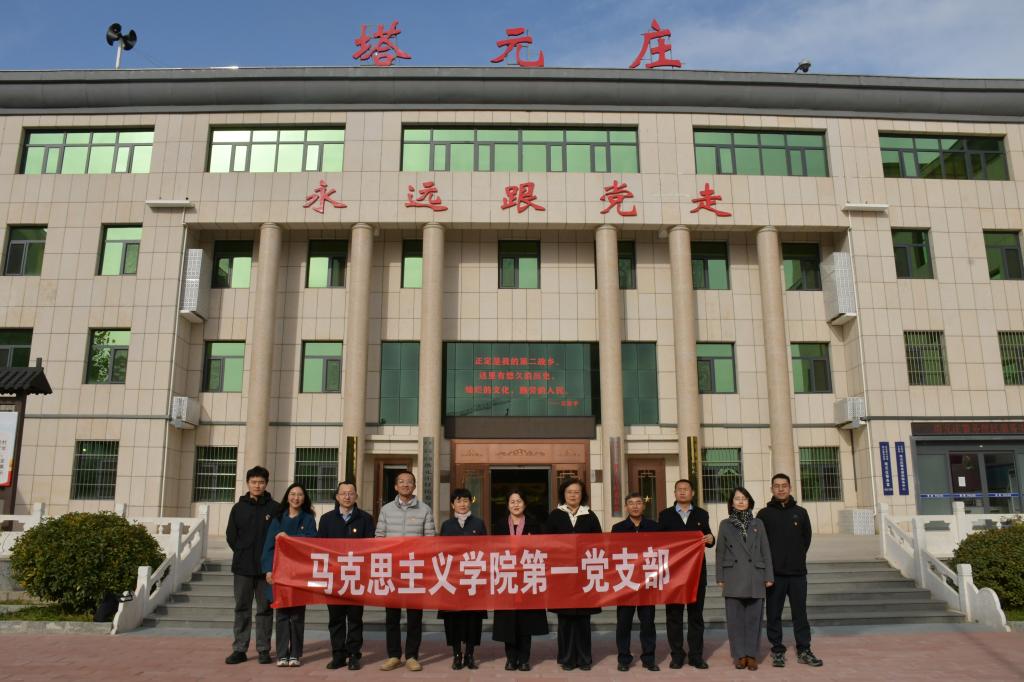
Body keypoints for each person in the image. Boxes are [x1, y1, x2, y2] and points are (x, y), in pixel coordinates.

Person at [756, 473, 823, 668]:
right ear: (771, 489)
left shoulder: (800, 512)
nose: (780, 489)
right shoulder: (764, 514)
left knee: (800, 614)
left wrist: (795, 557)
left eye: (784, 485)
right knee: (774, 614)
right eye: (776, 486)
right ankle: (777, 650)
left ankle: (804, 650)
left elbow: (806, 539)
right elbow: (760, 544)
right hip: (774, 575)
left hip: (797, 574)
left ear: (790, 487)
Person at [375, 470, 436, 672]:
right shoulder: (386, 510)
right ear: (395, 486)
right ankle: (394, 655)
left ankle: (411, 656)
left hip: (414, 569)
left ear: (414, 486)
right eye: (401, 482)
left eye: (409, 482)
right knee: (392, 616)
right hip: (392, 569)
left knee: (414, 616)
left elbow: (430, 540)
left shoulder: (424, 509)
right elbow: (379, 537)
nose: (405, 485)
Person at [658, 478, 715, 669]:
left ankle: (696, 655)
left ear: (692, 493)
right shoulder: (665, 515)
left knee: (695, 616)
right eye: (679, 489)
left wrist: (711, 538)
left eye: (686, 489)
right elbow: (659, 542)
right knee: (674, 616)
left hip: (696, 573)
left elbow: (708, 537)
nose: (682, 492)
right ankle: (677, 655)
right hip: (673, 574)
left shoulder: (701, 514)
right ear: (674, 493)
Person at [318, 480, 375, 671]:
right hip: (334, 577)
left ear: (356, 496)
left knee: (355, 618)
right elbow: (319, 547)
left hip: (356, 577)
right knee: (336, 619)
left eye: (351, 493)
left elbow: (371, 547)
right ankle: (338, 655)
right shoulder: (326, 519)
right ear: (337, 497)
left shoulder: (365, 519)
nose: (347, 496)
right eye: (343, 493)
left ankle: (354, 655)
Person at [546, 477, 602, 671]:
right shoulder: (555, 515)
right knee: (565, 620)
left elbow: (598, 544)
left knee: (583, 620)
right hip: (562, 576)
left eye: (576, 492)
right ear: (563, 494)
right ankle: (567, 658)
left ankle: (585, 659)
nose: (573, 495)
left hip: (584, 576)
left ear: (582, 495)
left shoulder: (590, 516)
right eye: (569, 492)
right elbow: (547, 544)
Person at [225, 466, 278, 665]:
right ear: (248, 483)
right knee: (242, 608)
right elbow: (231, 536)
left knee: (265, 610)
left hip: (266, 570)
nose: (257, 485)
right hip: (243, 568)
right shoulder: (238, 508)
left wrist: (269, 562)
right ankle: (239, 649)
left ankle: (264, 649)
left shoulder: (274, 508)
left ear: (266, 484)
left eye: (261, 482)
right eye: (254, 482)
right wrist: (242, 552)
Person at [717, 486, 774, 671]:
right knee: (734, 621)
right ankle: (739, 655)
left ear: (749, 502)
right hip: (733, 575)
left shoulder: (758, 523)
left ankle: (751, 655)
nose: (741, 501)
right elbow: (720, 552)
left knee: (754, 620)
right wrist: (720, 577)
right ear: (731, 503)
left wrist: (769, 575)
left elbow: (766, 550)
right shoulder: (725, 524)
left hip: (755, 575)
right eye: (737, 498)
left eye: (744, 498)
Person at [491, 488, 548, 672]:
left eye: (519, 501)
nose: (516, 505)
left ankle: (524, 658)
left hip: (527, 578)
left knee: (526, 620)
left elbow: (542, 549)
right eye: (512, 502)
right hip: (506, 577)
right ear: (507, 505)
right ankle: (510, 658)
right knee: (508, 621)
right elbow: (493, 550)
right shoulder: (499, 525)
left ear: (525, 503)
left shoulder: (534, 524)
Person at [262, 483, 318, 667]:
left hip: (300, 572)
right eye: (293, 494)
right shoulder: (278, 519)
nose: (296, 498)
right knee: (282, 614)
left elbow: (313, 542)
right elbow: (269, 547)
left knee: (297, 615)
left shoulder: (308, 519)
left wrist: (289, 539)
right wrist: (268, 570)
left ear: (304, 498)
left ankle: (295, 654)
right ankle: (281, 654)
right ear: (287, 497)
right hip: (281, 572)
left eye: (300, 495)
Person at [438, 488, 488, 670]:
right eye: (458, 501)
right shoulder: (447, 525)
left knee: (473, 618)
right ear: (453, 505)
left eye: (466, 500)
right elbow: (440, 552)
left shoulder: (479, 524)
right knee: (453, 619)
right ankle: (457, 654)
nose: (462, 504)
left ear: (470, 503)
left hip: (473, 579)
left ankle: (470, 654)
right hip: (453, 580)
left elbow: (486, 549)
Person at [611, 492, 660, 672]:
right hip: (626, 582)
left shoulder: (654, 527)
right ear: (626, 507)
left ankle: (649, 658)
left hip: (647, 581)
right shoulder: (618, 528)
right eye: (631, 503)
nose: (635, 506)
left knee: (648, 623)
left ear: (643, 506)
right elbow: (612, 553)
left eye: (638, 503)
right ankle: (624, 658)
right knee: (624, 623)